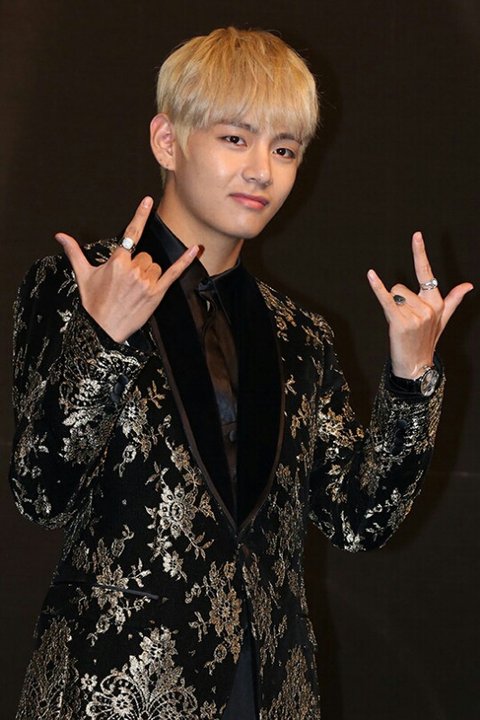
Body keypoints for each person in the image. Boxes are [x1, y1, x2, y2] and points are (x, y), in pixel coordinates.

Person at [9, 27, 472, 720]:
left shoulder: (301, 335)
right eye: (235, 138)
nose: (262, 171)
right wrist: (103, 339)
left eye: (284, 150)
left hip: (271, 693)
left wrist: (411, 378)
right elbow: (40, 493)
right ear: (167, 141)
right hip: (116, 691)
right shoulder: (76, 287)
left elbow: (358, 521)